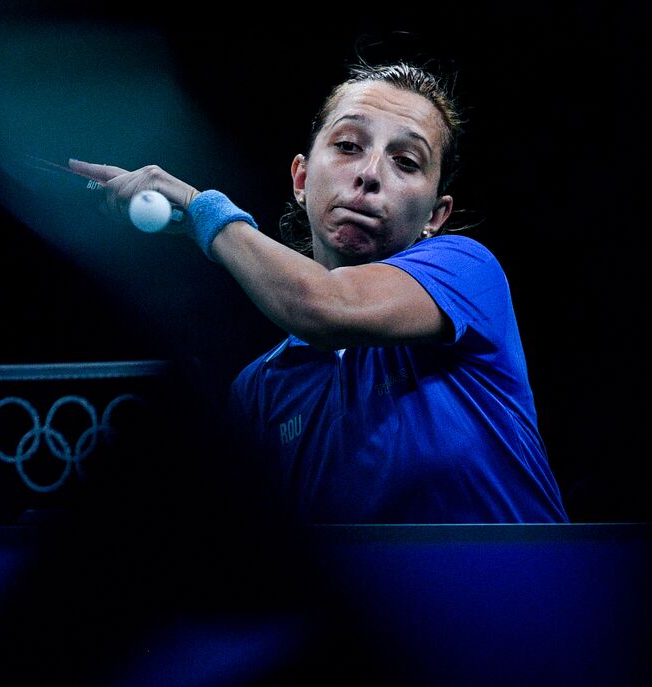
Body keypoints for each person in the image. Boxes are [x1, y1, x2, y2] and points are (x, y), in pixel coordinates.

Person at [69, 61, 568, 523]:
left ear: (436, 217)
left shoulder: (468, 273)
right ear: (302, 179)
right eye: (349, 146)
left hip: (526, 607)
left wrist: (204, 210)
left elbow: (325, 305)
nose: (370, 174)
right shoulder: (262, 392)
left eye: (406, 161)